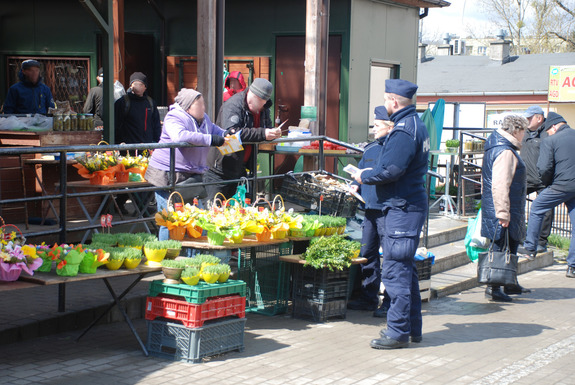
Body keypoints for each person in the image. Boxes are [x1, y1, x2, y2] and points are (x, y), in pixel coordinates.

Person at [352, 79, 429, 349]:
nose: (385, 105)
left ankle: (397, 332)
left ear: (393, 101)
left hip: (401, 207)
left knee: (396, 271)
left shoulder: (404, 130)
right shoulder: (416, 124)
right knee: (406, 270)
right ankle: (413, 328)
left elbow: (391, 170)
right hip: (405, 205)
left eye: (386, 100)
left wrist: (364, 174)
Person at [145, 88, 228, 240]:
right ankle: (167, 253)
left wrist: (225, 133)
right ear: (189, 106)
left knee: (196, 216)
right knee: (169, 218)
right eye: (200, 105)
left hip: (191, 174)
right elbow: (179, 136)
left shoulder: (204, 118)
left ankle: (194, 255)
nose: (204, 108)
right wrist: (210, 139)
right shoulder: (174, 117)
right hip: (166, 173)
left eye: (204, 104)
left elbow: (214, 129)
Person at [347, 106, 394, 317]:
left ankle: (390, 302)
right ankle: (368, 297)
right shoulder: (370, 149)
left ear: (389, 126)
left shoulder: (394, 149)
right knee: (367, 253)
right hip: (368, 209)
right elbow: (361, 172)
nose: (373, 129)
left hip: (388, 210)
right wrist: (355, 184)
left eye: (376, 125)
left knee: (391, 257)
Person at [203, 78, 282, 201]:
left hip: (242, 169)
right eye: (262, 103)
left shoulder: (263, 108)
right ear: (255, 97)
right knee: (216, 210)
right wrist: (263, 133)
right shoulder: (232, 106)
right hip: (220, 169)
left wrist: (272, 133)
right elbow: (232, 133)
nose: (263, 107)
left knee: (242, 211)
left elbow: (266, 128)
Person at [481, 115, 531, 302]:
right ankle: (494, 288)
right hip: (504, 208)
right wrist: (502, 212)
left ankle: (510, 282)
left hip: (504, 207)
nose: (524, 135)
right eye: (524, 131)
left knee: (510, 244)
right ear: (516, 130)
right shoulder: (505, 151)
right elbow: (500, 184)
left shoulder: (498, 147)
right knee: (501, 246)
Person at [522, 112, 575, 278]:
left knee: (537, 207)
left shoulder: (550, 140)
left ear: (553, 126)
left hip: (559, 186)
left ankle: (530, 248)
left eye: (547, 129)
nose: (547, 133)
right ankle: (572, 266)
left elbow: (544, 168)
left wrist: (547, 184)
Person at [519, 105, 553, 253]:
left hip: (544, 180)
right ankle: (520, 237)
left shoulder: (548, 133)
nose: (526, 121)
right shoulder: (524, 133)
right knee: (515, 205)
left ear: (539, 118)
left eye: (529, 118)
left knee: (546, 211)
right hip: (524, 178)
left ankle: (541, 242)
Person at [114, 72, 161, 144]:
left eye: (141, 84)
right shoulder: (123, 102)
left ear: (145, 87)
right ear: (130, 86)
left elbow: (156, 125)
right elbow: (116, 124)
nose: (138, 87)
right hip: (127, 148)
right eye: (135, 84)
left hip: (147, 147)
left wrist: (157, 143)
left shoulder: (150, 103)